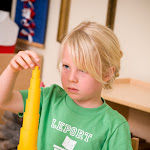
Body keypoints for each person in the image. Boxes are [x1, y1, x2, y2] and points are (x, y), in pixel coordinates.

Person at [0, 21, 133, 150]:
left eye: (83, 70)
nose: (71, 78)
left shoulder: (114, 126)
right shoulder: (49, 97)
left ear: (107, 74)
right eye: (66, 66)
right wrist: (12, 69)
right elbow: (3, 100)